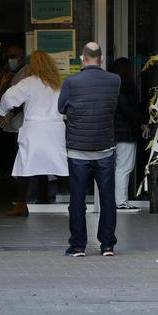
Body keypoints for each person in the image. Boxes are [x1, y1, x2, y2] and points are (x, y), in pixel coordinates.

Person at [58, 42, 120, 257]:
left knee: (77, 200)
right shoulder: (115, 80)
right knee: (107, 199)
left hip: (77, 150)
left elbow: (60, 108)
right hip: (105, 149)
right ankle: (107, 245)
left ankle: (78, 246)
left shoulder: (71, 82)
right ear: (101, 59)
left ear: (82, 58)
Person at [0, 50, 68, 217]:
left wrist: (1, 111)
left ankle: (21, 204)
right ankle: (77, 201)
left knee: (25, 165)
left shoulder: (29, 83)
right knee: (60, 166)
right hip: (55, 129)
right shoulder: (58, 84)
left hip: (34, 129)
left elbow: (9, 97)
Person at [110, 57, 146, 210]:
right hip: (125, 131)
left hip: (112, 131)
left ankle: (115, 200)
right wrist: (142, 121)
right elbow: (128, 109)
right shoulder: (125, 86)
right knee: (124, 167)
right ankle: (120, 201)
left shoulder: (112, 85)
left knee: (116, 167)